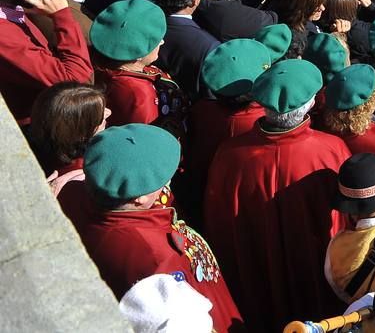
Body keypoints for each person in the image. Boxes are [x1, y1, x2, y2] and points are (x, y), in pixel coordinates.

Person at [203, 58, 351, 331]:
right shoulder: (331, 150)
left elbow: (218, 222)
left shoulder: (229, 154)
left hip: (256, 272)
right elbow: (346, 218)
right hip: (316, 269)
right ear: (310, 104)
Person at [59, 123, 244, 332]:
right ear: (140, 198)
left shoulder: (68, 194)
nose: (166, 184)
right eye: (163, 179)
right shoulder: (158, 260)